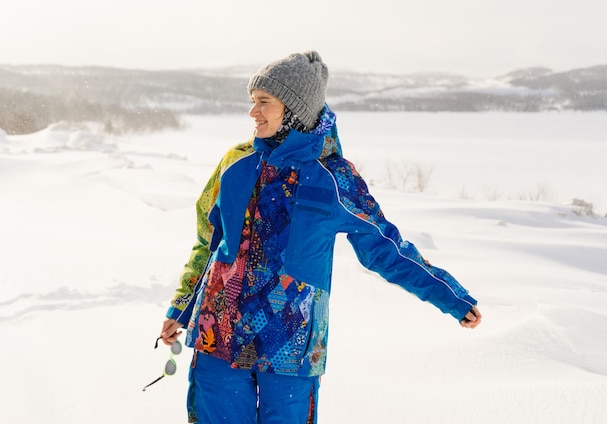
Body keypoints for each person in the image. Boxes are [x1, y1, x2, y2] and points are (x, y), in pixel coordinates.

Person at [159, 51, 482, 424]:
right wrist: (180, 308)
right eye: (252, 102)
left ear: (294, 111)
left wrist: (451, 297)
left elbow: (386, 249)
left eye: (264, 102)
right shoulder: (236, 163)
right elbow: (208, 241)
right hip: (218, 331)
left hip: (290, 347)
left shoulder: (333, 178)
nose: (253, 113)